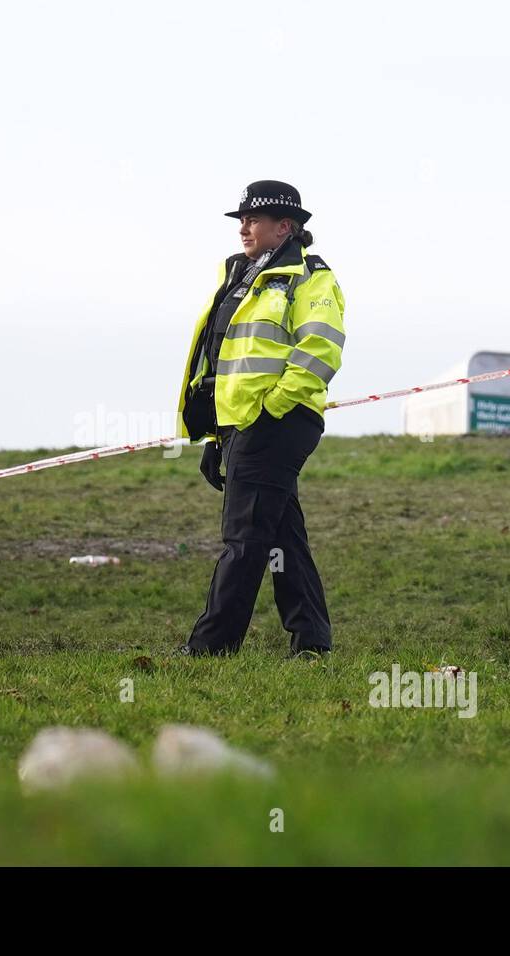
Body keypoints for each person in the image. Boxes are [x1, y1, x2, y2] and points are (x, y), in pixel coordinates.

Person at [175, 180, 346, 658]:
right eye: (242, 220)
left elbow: (320, 349)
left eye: (254, 220)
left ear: (284, 227)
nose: (244, 228)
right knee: (280, 534)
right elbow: (217, 360)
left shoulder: (310, 278)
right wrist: (214, 435)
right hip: (239, 425)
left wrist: (274, 406)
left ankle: (211, 646)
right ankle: (311, 641)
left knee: (244, 537)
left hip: (278, 420)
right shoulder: (238, 277)